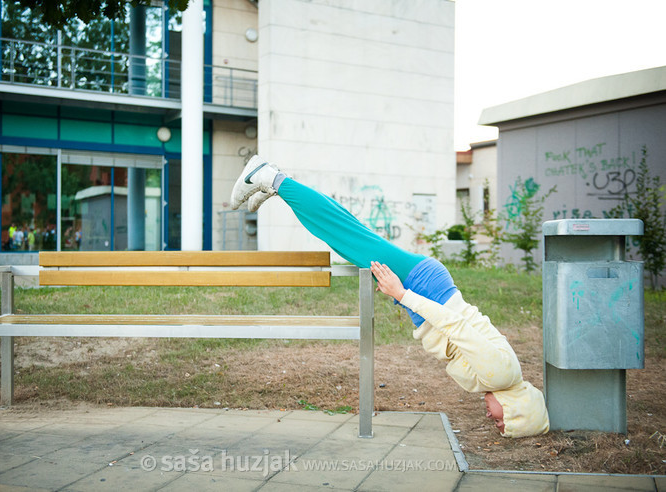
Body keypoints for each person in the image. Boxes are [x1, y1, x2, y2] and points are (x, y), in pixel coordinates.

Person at [230, 155, 549, 438]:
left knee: (349, 233)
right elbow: (453, 324)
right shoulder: (502, 374)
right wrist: (402, 293)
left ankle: (278, 186)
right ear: (515, 409)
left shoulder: (502, 378)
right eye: (504, 423)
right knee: (341, 233)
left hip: (427, 285)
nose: (495, 422)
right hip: (424, 287)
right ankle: (269, 176)